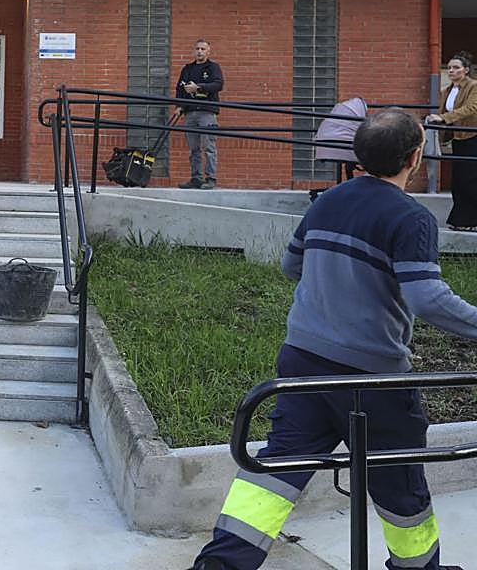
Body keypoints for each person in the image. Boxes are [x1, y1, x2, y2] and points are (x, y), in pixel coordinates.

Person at [190, 108, 477, 570]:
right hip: (372, 380)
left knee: (276, 470)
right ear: (414, 157)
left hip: (302, 362)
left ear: (358, 155)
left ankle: (219, 565)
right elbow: (427, 299)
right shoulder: (412, 218)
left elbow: (291, 265)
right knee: (399, 484)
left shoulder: (328, 200)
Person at [426, 51, 477, 232]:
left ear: (466, 70)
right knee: (459, 180)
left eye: (456, 67)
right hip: (458, 137)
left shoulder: (474, 86)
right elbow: (445, 111)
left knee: (470, 179)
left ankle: (473, 220)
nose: (451, 71)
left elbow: (471, 108)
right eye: (449, 68)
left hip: (473, 137)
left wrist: (443, 118)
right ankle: (460, 220)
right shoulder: (447, 91)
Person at [174, 38, 225, 189]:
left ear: (208, 52)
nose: (200, 51)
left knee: (209, 147)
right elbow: (179, 89)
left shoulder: (213, 67)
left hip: (207, 112)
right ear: (194, 51)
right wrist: (179, 106)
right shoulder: (187, 69)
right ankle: (196, 178)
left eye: (203, 49)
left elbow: (218, 84)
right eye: (197, 49)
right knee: (193, 149)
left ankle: (211, 179)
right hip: (190, 112)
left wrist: (199, 87)